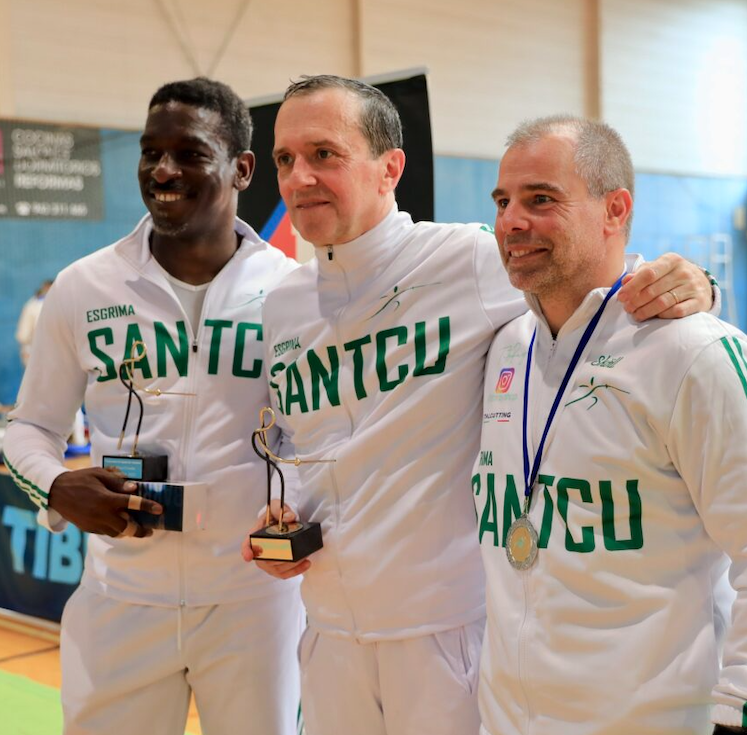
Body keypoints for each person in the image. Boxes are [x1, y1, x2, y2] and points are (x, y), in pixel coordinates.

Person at [246, 74, 717, 735]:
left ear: (389, 169)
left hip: (448, 634)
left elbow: (597, 279)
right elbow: (302, 444)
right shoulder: (283, 305)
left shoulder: (466, 259)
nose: (298, 178)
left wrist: (697, 280)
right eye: (284, 160)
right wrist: (284, 512)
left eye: (324, 154)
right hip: (325, 631)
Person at [474, 115, 747, 735]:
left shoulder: (697, 355)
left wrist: (746, 715)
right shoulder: (500, 346)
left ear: (615, 208)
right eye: (503, 201)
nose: (511, 221)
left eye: (540, 199)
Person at [3, 78, 302, 735]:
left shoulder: (293, 292)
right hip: (121, 598)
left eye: (188, 154)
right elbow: (28, 428)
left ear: (241, 168)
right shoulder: (85, 286)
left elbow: (320, 440)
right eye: (149, 153)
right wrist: (57, 485)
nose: (162, 171)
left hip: (256, 603)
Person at [15, 279, 53, 366]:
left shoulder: (32, 304)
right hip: (36, 352)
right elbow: (23, 335)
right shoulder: (33, 306)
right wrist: (27, 350)